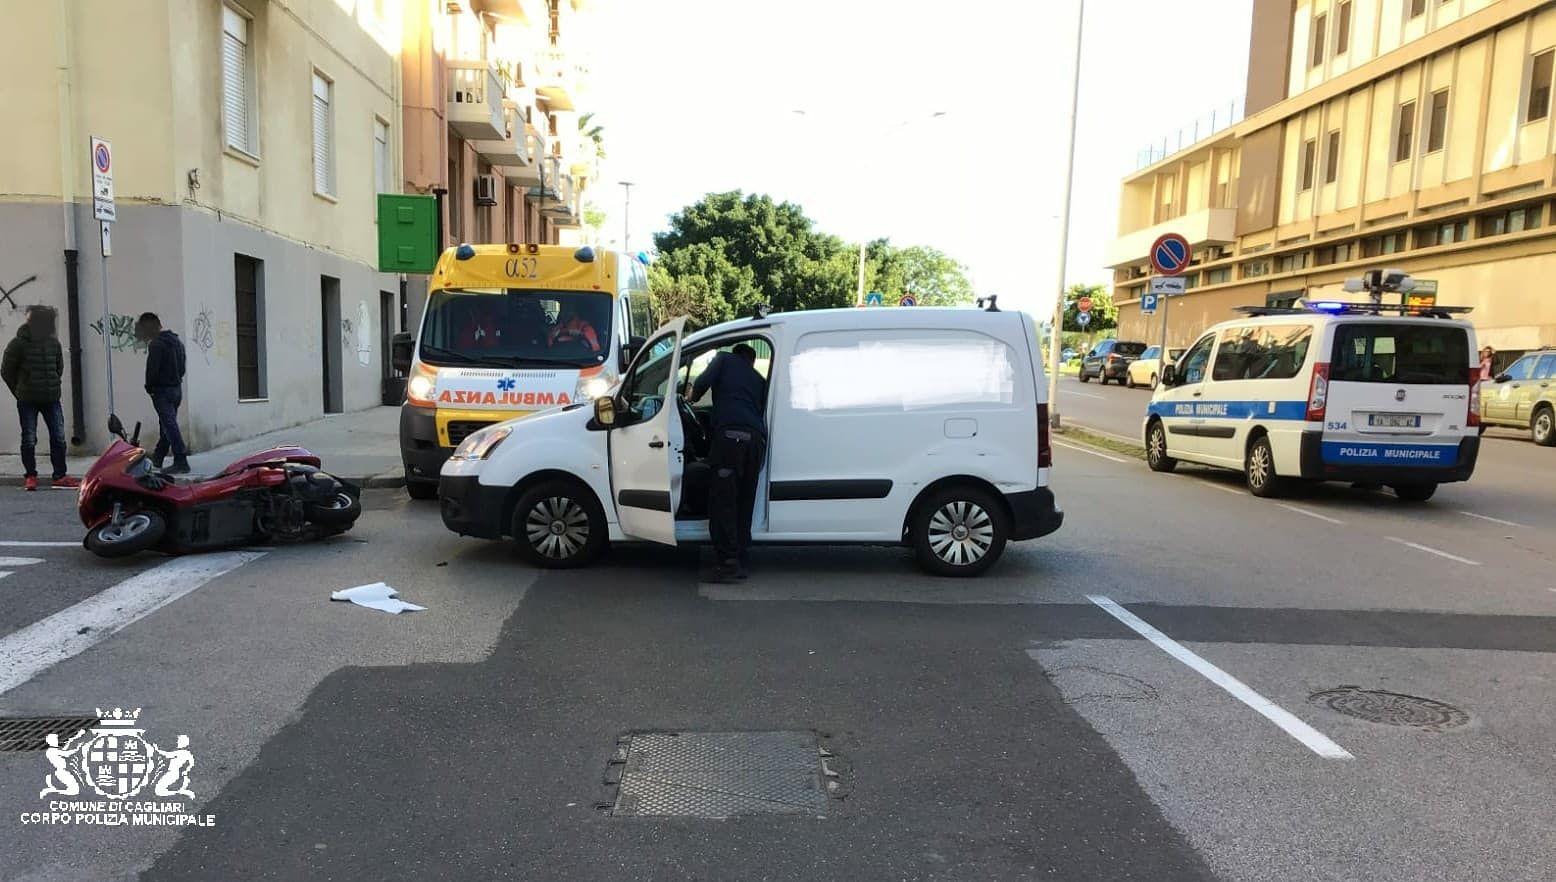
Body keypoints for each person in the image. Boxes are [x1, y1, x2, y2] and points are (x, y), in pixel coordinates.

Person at [688, 343, 767, 582]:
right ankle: (741, 556)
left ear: (736, 355)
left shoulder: (723, 359)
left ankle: (727, 563)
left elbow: (701, 384)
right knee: (744, 500)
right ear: (752, 361)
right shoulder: (759, 380)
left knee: (723, 501)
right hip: (755, 441)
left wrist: (690, 398)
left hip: (730, 439)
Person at [1, 305, 79, 491]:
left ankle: (59, 475)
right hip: (27, 400)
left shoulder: (53, 343)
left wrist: (53, 384)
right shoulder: (18, 344)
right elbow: (6, 371)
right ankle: (30, 476)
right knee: (29, 438)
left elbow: (58, 367)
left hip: (51, 398)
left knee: (59, 437)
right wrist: (19, 391)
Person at [135, 313, 190, 473]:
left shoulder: (156, 345)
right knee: (166, 424)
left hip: (162, 391)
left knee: (169, 425)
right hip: (176, 389)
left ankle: (181, 460)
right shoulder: (177, 342)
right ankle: (159, 456)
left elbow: (152, 371)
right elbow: (183, 368)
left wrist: (149, 387)